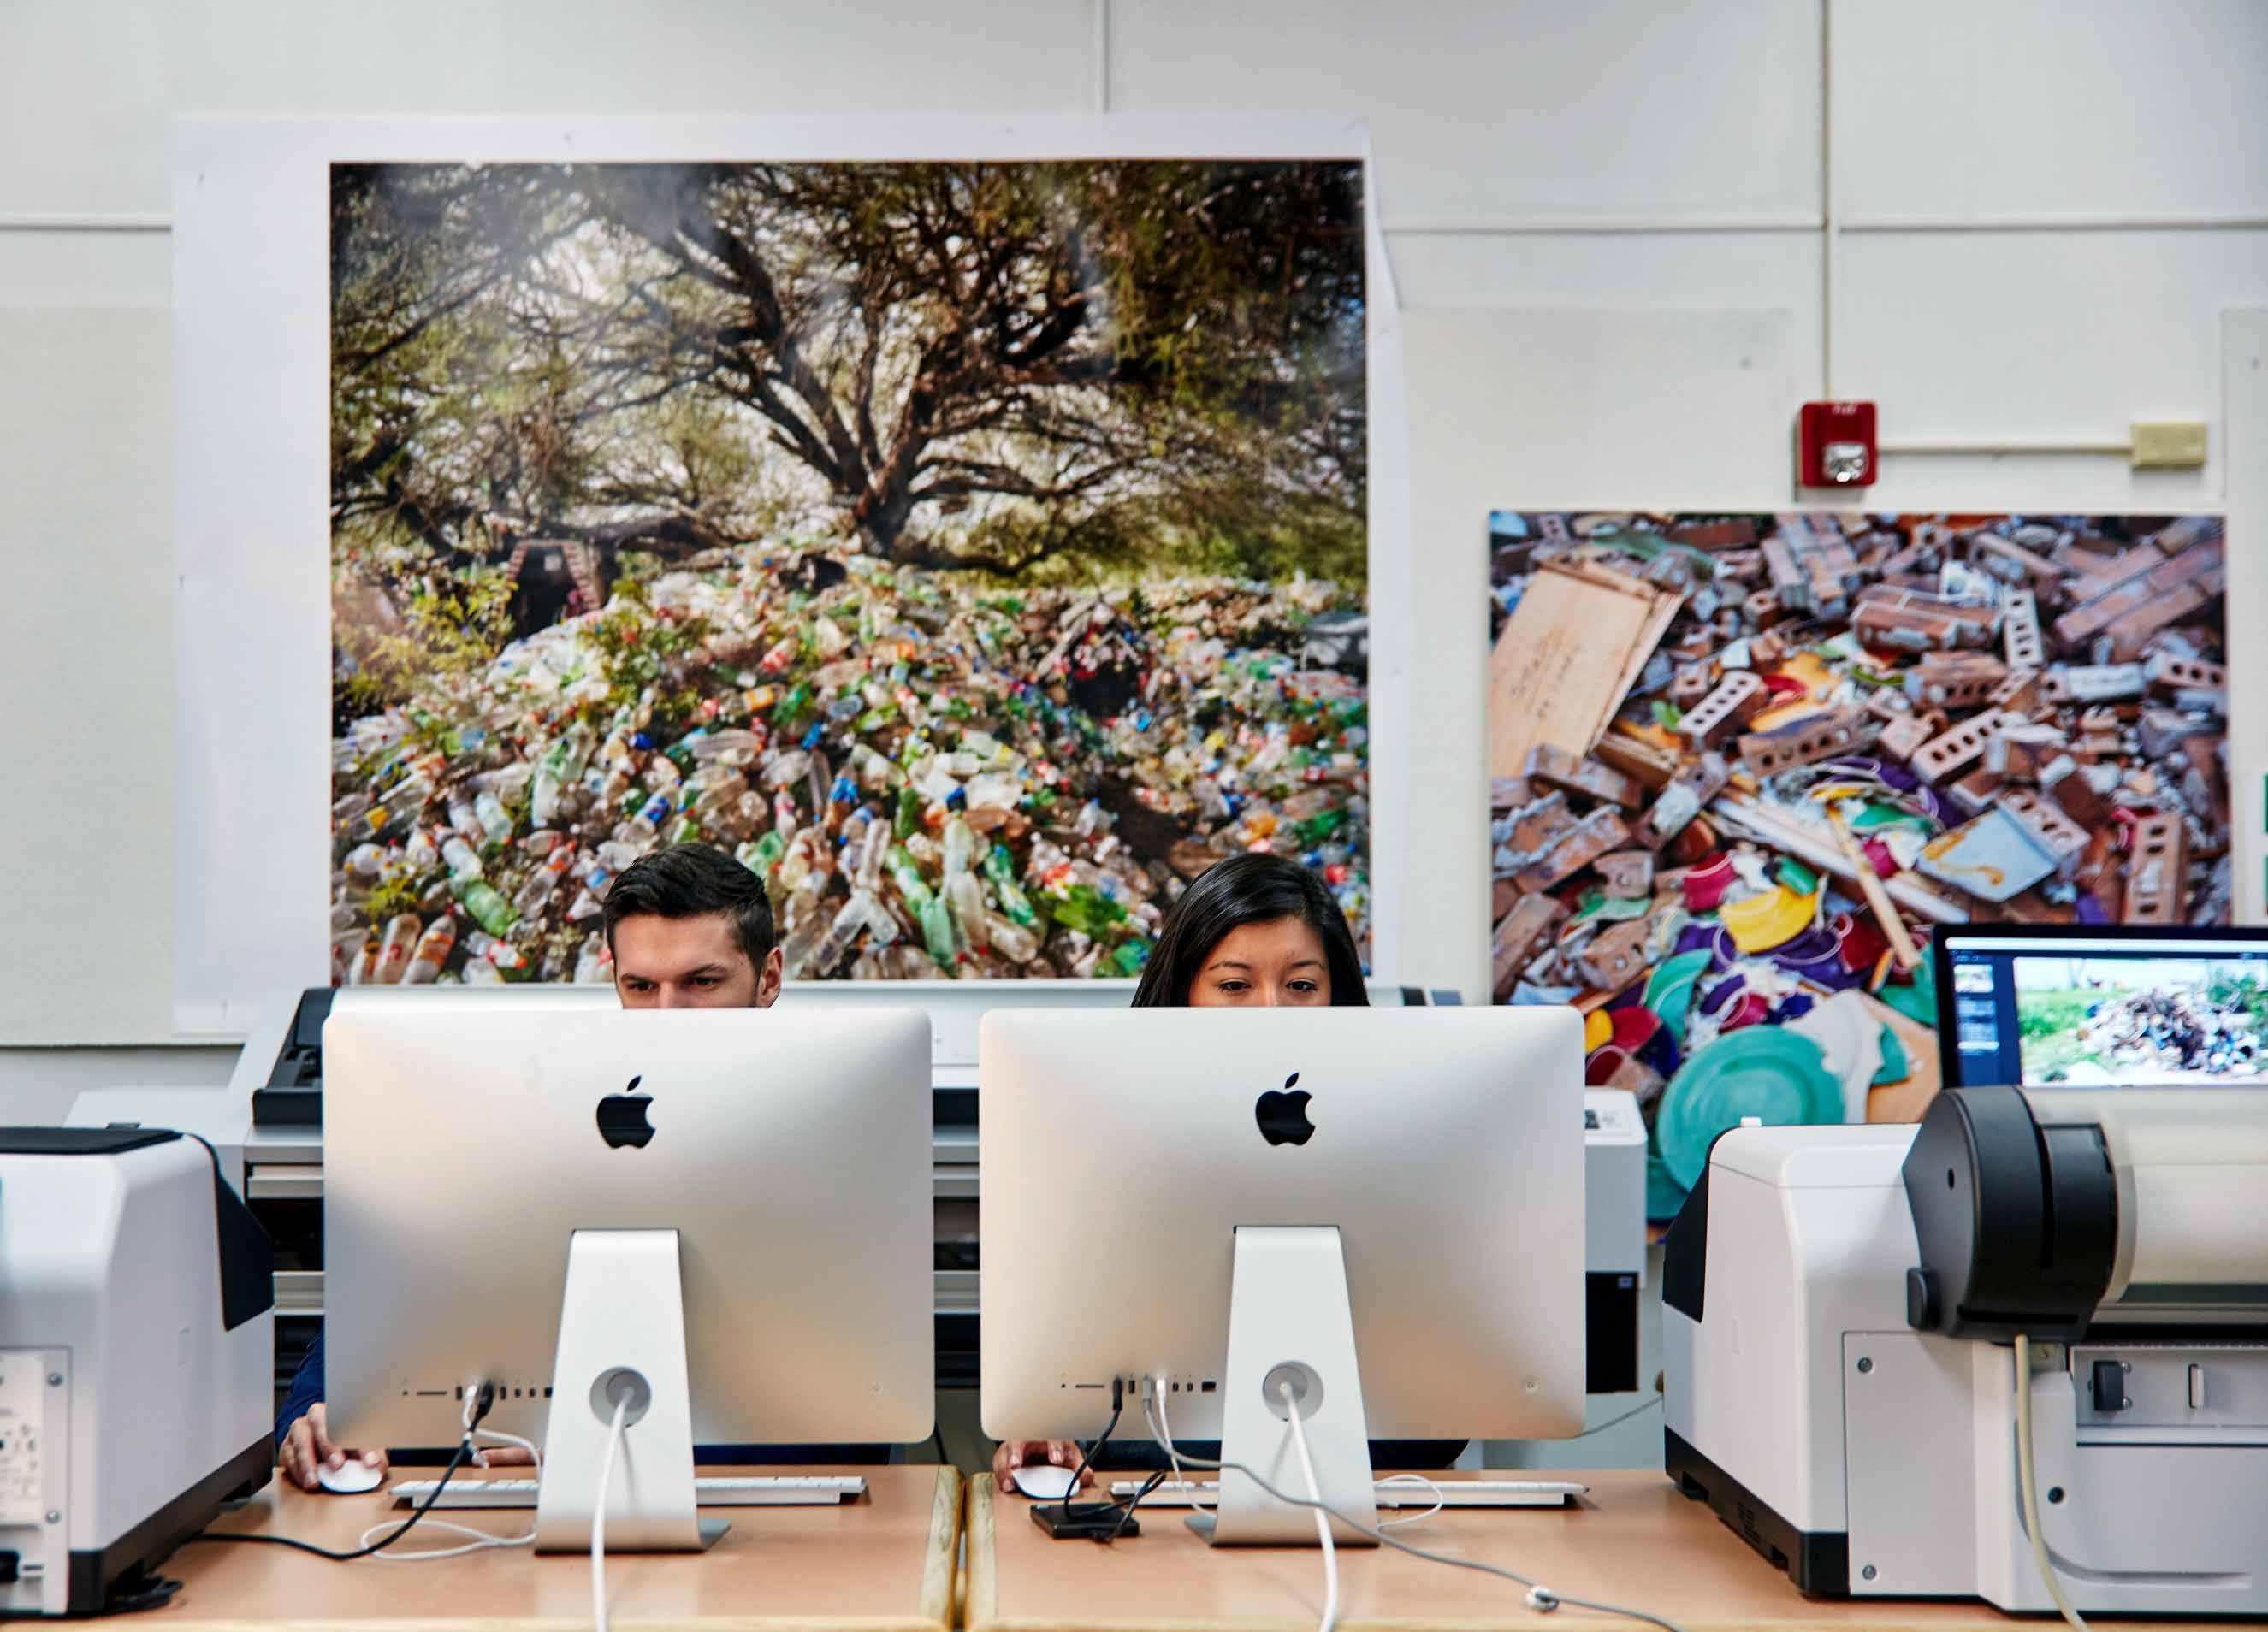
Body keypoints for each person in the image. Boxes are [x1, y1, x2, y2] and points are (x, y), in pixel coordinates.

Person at [276, 842, 788, 1488]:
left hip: (753, 1525)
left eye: (702, 983)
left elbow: (856, 1426)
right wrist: (316, 1423)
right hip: (505, 1528)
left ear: (768, 978)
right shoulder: (518, 1128)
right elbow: (367, 1344)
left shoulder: (817, 1147)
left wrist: (608, 1449)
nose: (666, 1018)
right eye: (640, 986)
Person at [990, 853, 1466, 1493]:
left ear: (1337, 995)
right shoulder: (1098, 1112)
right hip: (1141, 1469)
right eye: (1234, 985)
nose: (1270, 1012)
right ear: (1184, 991)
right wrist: (1037, 1412)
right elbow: (1050, 1324)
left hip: (1366, 1467)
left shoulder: (1405, 1123)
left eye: (1300, 985)